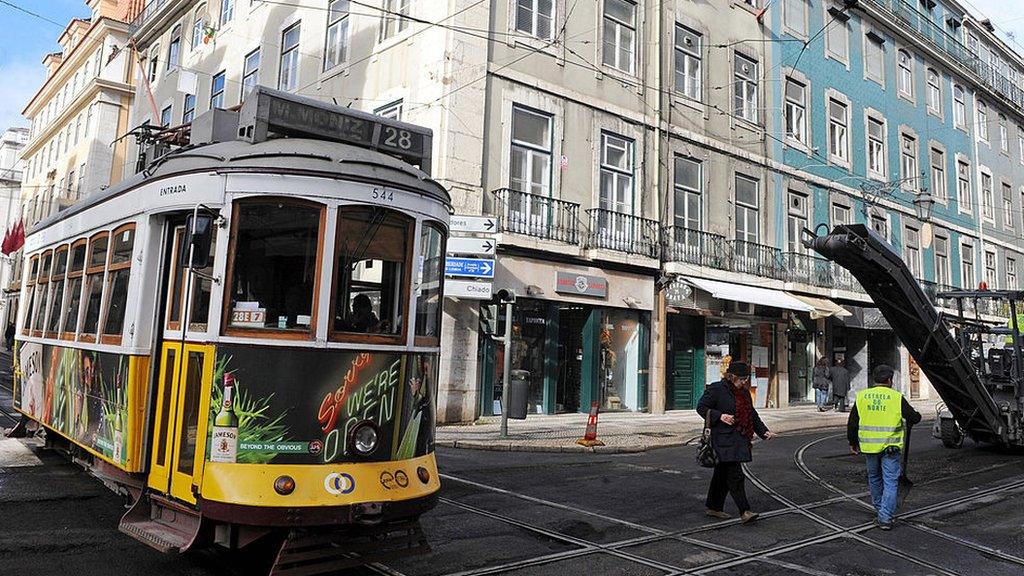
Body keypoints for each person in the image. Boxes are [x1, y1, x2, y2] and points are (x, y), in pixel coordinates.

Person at [697, 362, 777, 524]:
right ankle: (744, 510)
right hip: (722, 439)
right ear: (731, 376)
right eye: (741, 379)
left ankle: (714, 507)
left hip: (738, 439)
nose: (744, 382)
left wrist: (764, 432)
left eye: (746, 379)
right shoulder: (717, 389)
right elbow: (701, 407)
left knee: (721, 475)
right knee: (736, 475)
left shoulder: (745, 394)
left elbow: (752, 414)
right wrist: (720, 416)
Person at [847, 365, 922, 530]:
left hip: (869, 448)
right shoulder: (896, 397)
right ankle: (885, 517)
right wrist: (916, 416)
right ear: (889, 380)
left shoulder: (862, 396)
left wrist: (853, 443)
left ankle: (881, 509)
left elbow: (852, 423)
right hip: (890, 449)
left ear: (874, 379)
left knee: (874, 479)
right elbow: (913, 418)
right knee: (890, 481)